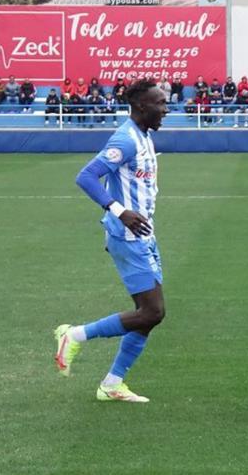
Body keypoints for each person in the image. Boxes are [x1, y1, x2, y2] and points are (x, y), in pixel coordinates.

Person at [55, 80, 169, 403]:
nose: (166, 109)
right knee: (152, 312)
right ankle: (74, 335)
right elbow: (86, 176)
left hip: (143, 236)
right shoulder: (126, 139)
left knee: (146, 315)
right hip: (128, 237)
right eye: (160, 104)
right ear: (141, 107)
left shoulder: (144, 137)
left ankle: (112, 384)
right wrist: (119, 211)